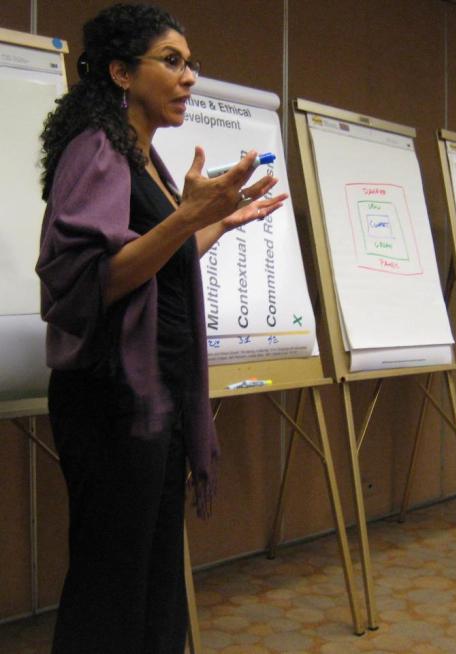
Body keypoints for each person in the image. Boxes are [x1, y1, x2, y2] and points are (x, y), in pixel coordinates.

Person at [36, 4, 287, 653]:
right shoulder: (94, 148)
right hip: (112, 400)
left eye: (191, 63)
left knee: (152, 580)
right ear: (121, 71)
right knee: (111, 583)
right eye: (171, 61)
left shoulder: (144, 158)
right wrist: (183, 219)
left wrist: (216, 225)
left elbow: (150, 266)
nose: (189, 77)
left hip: (156, 394)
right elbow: (89, 277)